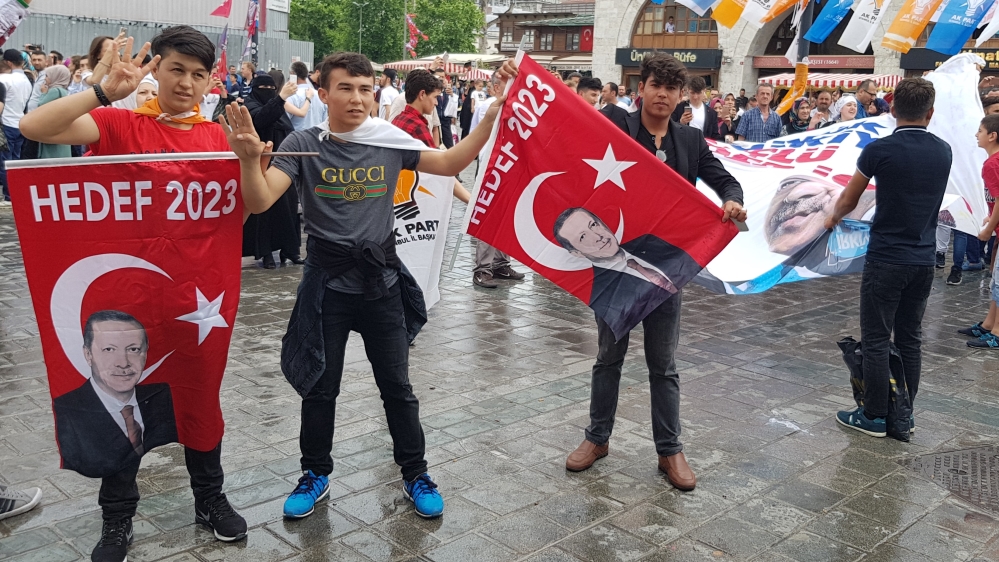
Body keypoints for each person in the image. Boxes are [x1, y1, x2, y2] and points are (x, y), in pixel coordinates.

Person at [220, 51, 518, 522]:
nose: (356, 98)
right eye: (345, 88)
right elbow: (259, 201)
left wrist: (491, 117)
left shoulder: (388, 140)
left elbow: (449, 162)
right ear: (324, 94)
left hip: (382, 284)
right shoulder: (303, 142)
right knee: (320, 387)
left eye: (365, 89)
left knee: (398, 388)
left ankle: (416, 473)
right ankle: (314, 473)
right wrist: (246, 159)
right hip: (327, 285)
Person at [19, 26, 249, 562]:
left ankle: (210, 499)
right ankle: (117, 518)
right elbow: (35, 126)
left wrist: (246, 157)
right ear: (157, 69)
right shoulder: (120, 123)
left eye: (198, 74)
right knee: (122, 401)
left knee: (198, 397)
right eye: (176, 70)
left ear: (210, 81)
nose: (186, 83)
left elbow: (245, 209)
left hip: (196, 305)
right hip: (127, 306)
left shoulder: (218, 139)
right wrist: (103, 91)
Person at [587, 53, 745, 491]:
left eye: (671, 88)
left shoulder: (690, 141)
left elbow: (724, 180)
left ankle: (669, 450)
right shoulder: (614, 125)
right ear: (642, 88)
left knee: (663, 364)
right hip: (615, 264)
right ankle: (597, 438)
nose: (662, 94)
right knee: (608, 358)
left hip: (666, 269)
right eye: (655, 85)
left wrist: (732, 200)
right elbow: (566, 126)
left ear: (681, 96)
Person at [826, 77, 951, 438]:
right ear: (930, 112)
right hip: (923, 258)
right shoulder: (944, 151)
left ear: (892, 109)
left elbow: (849, 198)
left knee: (877, 338)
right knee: (910, 338)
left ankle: (875, 415)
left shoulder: (879, 150)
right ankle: (904, 415)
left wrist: (833, 218)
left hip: (886, 256)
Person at [53, 311, 178, 477]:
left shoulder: (162, 395)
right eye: (109, 349)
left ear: (146, 352)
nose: (123, 363)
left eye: (133, 349)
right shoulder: (66, 410)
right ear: (88, 354)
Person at [553, 207, 701, 337]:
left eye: (593, 225)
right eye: (583, 237)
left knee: (663, 356)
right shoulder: (601, 294)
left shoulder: (650, 242)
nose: (598, 237)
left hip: (667, 305)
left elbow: (688, 264)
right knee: (610, 355)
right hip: (615, 309)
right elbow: (609, 356)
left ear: (602, 222)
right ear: (576, 253)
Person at [469, 73, 526, 288]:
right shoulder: (489, 105)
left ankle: (501, 263)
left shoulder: (517, 106)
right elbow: (476, 134)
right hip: (492, 165)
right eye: (505, 85)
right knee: (489, 217)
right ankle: (483, 268)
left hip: (510, 165)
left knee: (505, 216)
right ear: (494, 88)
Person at [242, 75, 302, 269]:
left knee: (289, 207)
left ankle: (290, 250)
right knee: (264, 212)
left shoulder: (278, 108)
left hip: (284, 164)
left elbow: (287, 129)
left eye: (271, 88)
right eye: (263, 87)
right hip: (261, 164)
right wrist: (280, 98)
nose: (267, 91)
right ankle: (266, 252)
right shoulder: (249, 105)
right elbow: (261, 119)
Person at [960, 114, 999, 349]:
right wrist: (991, 217)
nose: (977, 135)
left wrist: (988, 229)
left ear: (992, 136)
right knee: (996, 282)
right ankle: (989, 324)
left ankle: (997, 332)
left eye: (980, 131)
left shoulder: (992, 164)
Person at [0, 48, 31, 201]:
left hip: (6, 123)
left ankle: (9, 195)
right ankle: (15, 193)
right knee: (15, 161)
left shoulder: (5, 79)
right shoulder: (27, 80)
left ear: (8, 63)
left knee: (5, 162)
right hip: (19, 123)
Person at [36, 64, 72, 158]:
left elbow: (41, 105)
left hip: (51, 127)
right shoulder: (63, 91)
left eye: (47, 76)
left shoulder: (54, 91)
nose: (46, 78)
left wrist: (43, 93)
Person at [672, 75, 719, 140]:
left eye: (698, 93)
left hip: (703, 144)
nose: (695, 97)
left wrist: (727, 134)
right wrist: (681, 122)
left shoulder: (711, 113)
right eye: (692, 93)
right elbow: (669, 129)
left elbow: (715, 135)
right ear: (688, 90)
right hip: (683, 143)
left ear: (704, 91)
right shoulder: (678, 108)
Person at [285, 61, 326, 132]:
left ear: (292, 74)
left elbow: (285, 122)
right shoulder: (319, 95)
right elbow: (325, 121)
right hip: (318, 136)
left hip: (297, 136)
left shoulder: (291, 96)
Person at [25, 48, 47, 112]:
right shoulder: (35, 75)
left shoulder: (47, 76)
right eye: (34, 60)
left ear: (46, 61)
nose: (36, 62)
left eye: (39, 60)